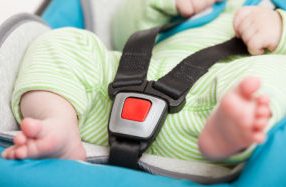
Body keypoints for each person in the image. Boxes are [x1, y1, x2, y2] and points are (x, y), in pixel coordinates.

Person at [1, 0, 286, 170]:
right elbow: (124, 29)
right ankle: (58, 123)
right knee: (65, 40)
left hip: (207, 110)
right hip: (113, 92)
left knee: (274, 74)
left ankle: (229, 133)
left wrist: (279, 27)